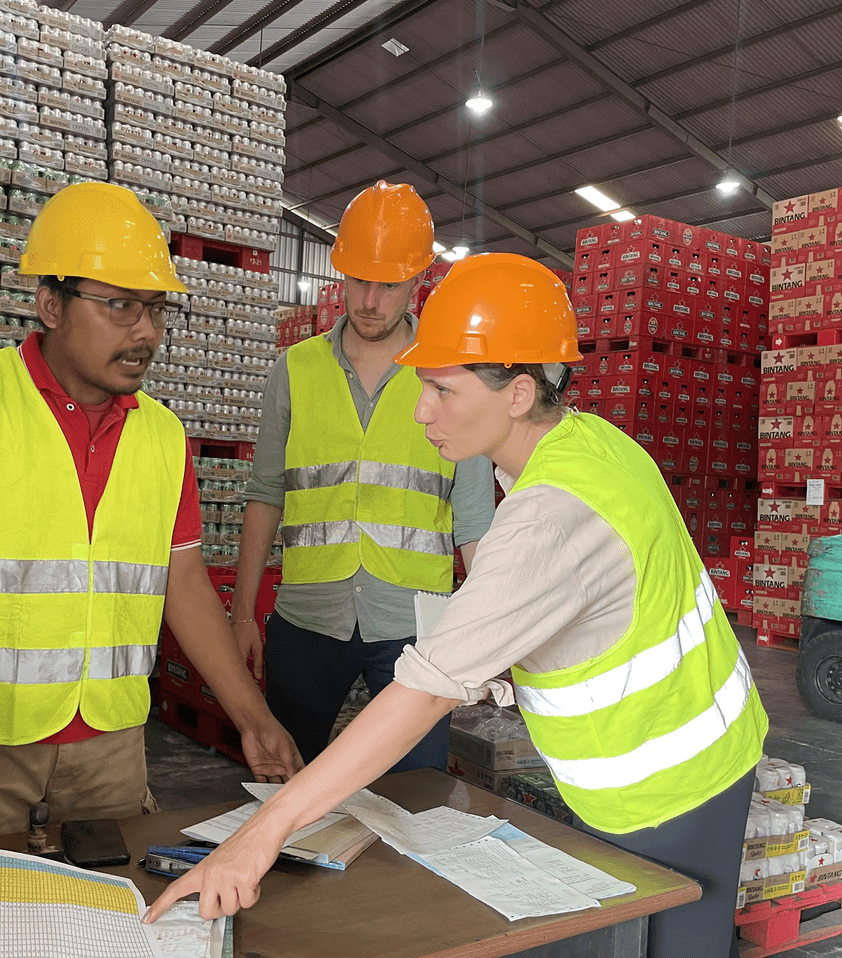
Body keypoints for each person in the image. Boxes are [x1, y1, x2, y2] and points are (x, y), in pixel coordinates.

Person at [149, 253, 769, 958]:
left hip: (662, 792)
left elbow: (419, 695)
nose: (421, 413)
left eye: (442, 390)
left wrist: (259, 837)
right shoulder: (592, 444)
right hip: (706, 752)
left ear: (517, 392)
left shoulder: (547, 520)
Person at [0, 182, 303, 848]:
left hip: (110, 752)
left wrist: (252, 715)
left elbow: (182, 586)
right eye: (121, 307)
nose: (146, 332)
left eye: (156, 310)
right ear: (50, 304)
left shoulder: (162, 435)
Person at [229, 180, 496, 771]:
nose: (371, 300)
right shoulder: (294, 370)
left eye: (389, 284)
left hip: (417, 629)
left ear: (419, 280)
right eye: (359, 281)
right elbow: (265, 496)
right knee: (285, 783)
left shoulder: (455, 376)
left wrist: (484, 631)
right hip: (306, 621)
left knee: (415, 792)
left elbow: (474, 518)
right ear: (340, 273)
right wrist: (243, 614)